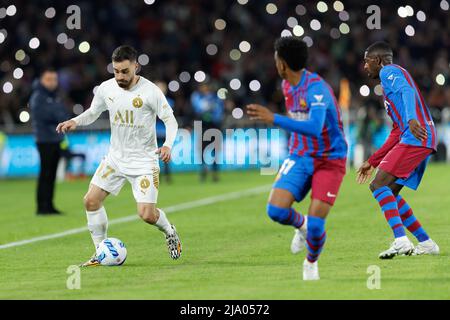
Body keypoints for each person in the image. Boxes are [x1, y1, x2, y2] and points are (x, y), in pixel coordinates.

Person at [56, 45, 181, 266]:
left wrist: (168, 145)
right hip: (115, 158)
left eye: (124, 71)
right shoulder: (106, 88)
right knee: (91, 201)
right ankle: (100, 252)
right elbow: (94, 112)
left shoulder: (150, 91)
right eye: (115, 71)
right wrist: (75, 121)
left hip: (144, 162)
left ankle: (169, 230)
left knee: (146, 215)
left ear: (136, 67)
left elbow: (170, 120)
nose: (120, 76)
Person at [246, 37, 348, 280]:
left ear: (282, 63)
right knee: (276, 211)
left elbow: (314, 127)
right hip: (300, 155)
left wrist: (274, 119)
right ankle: (300, 226)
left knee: (317, 225)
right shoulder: (287, 85)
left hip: (330, 159)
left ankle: (311, 263)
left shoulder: (316, 89)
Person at [357, 41, 439, 259]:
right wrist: (372, 161)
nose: (365, 67)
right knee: (389, 191)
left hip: (417, 137)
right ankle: (426, 243)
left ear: (377, 60)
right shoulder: (389, 86)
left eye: (366, 61)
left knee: (378, 184)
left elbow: (407, 91)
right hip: (416, 136)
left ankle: (401, 240)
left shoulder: (389, 71)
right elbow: (396, 131)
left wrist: (412, 118)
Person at [29, 67, 69, 215]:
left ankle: (49, 204)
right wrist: (58, 114)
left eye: (54, 79)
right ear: (41, 80)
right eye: (49, 79)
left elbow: (64, 113)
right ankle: (42, 206)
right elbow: (48, 115)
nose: (52, 83)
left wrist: (59, 114)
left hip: (55, 139)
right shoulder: (38, 96)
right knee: (45, 174)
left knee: (51, 174)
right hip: (45, 140)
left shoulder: (54, 96)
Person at [191, 82, 224, 182]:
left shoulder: (215, 98)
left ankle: (215, 172)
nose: (205, 89)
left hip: (214, 125)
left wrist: (213, 114)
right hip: (202, 125)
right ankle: (203, 170)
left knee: (215, 150)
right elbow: (198, 108)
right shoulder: (197, 96)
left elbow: (219, 111)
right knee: (201, 149)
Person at [155, 80, 174, 184]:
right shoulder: (150, 101)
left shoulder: (169, 102)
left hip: (164, 132)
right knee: (154, 156)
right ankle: (156, 177)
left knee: (165, 155)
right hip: (153, 132)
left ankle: (167, 176)